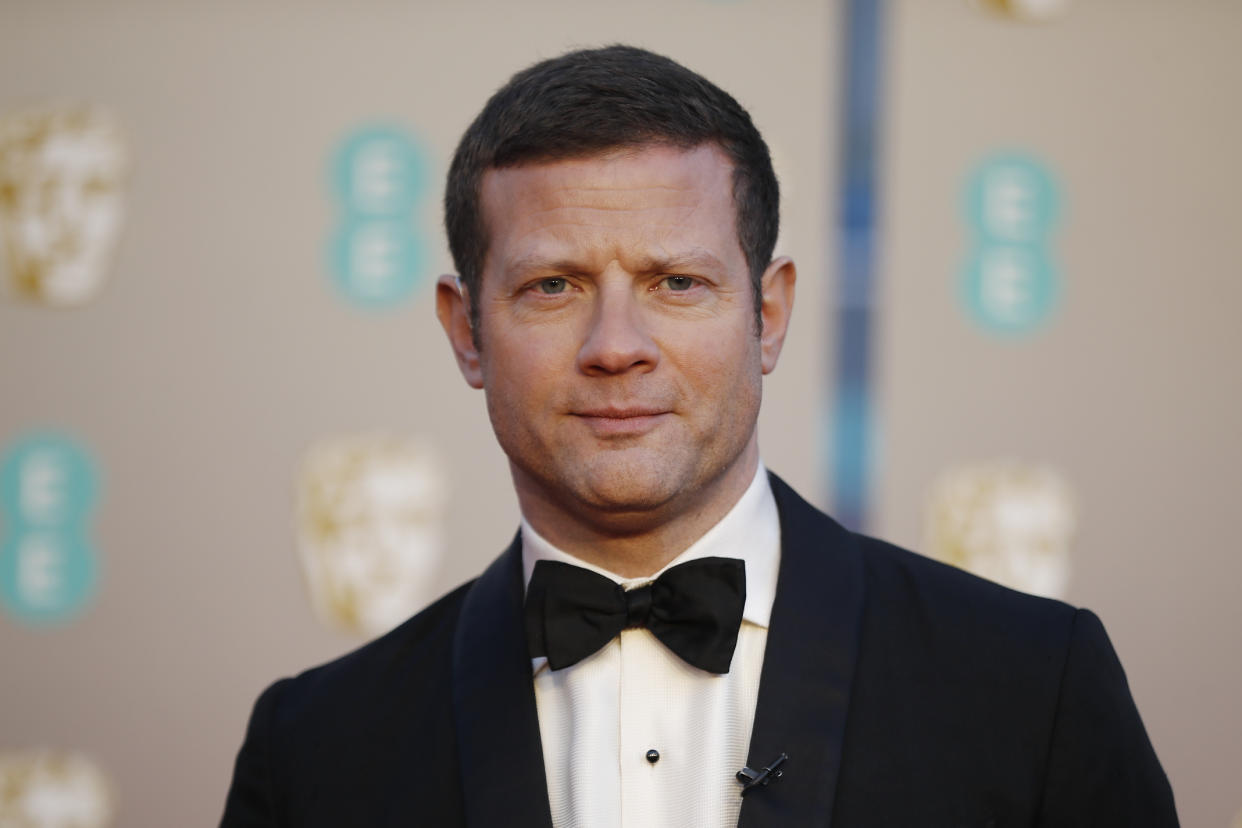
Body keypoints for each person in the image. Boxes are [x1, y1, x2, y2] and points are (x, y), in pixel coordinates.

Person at [220, 45, 1177, 827]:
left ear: (768, 313)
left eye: (678, 283)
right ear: (467, 330)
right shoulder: (315, 753)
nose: (616, 348)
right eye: (552, 286)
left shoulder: (1032, 690)